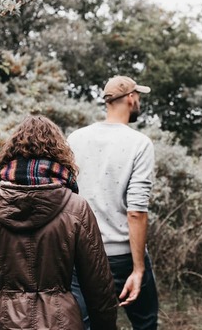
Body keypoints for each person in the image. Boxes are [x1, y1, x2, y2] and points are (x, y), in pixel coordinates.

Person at [0, 115, 117, 330]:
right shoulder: (76, 208)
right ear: (60, 156)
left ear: (10, 153)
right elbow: (99, 287)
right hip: (61, 322)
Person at [68, 75, 159, 330]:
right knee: (145, 322)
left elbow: (66, 196)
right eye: (138, 95)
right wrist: (138, 269)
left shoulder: (75, 138)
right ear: (130, 98)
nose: (139, 100)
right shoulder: (140, 143)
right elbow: (136, 212)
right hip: (122, 257)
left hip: (81, 254)